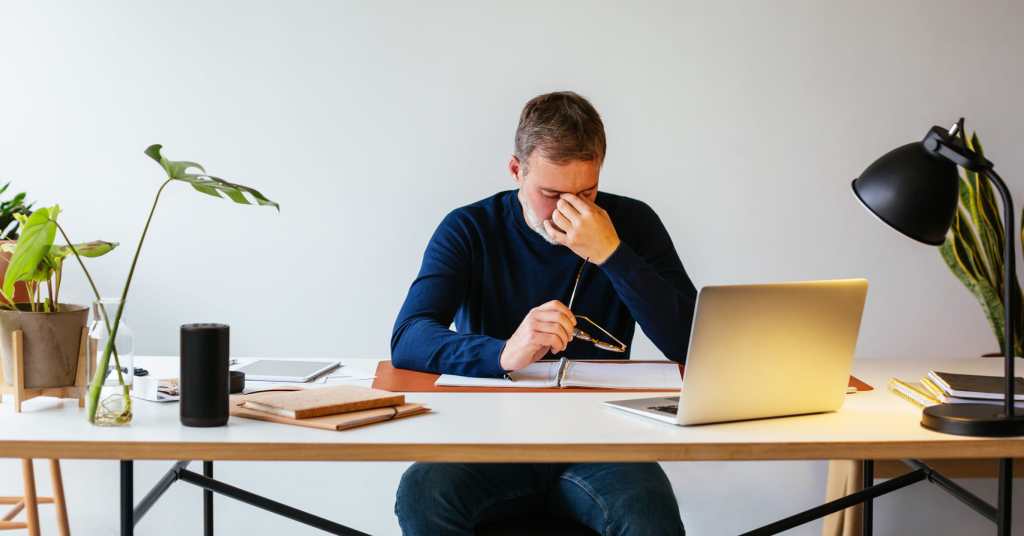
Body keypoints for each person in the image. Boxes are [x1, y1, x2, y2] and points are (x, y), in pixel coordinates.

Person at [391, 91, 696, 535]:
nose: (570, 211)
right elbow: (409, 337)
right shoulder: (470, 227)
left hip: (599, 444)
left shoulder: (631, 224)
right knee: (424, 493)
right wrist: (503, 353)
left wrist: (612, 253)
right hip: (489, 440)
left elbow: (691, 342)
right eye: (551, 193)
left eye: (586, 192)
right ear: (517, 170)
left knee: (648, 516)